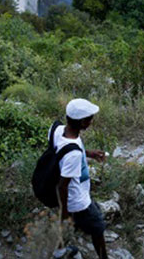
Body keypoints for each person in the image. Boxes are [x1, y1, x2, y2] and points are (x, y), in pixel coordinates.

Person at [54, 99, 108, 259]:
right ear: (83, 122)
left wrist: (89, 153)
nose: (92, 121)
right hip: (78, 201)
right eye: (90, 118)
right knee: (98, 227)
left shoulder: (58, 130)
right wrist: (64, 211)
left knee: (68, 225)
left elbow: (64, 150)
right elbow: (62, 186)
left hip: (75, 197)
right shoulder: (74, 154)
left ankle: (59, 251)